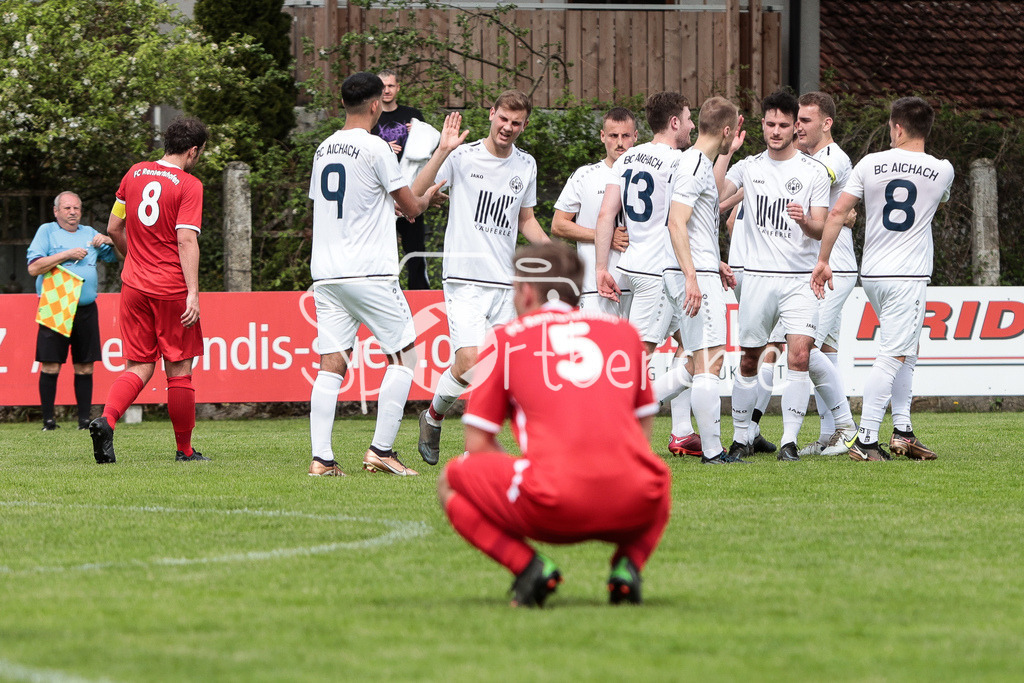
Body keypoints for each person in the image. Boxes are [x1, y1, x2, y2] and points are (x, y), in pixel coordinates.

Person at [438, 242, 671, 607]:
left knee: (451, 480)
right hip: (632, 502)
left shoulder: (505, 339)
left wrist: (528, 472)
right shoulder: (625, 333)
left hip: (553, 504)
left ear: (528, 291)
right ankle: (628, 567)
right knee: (656, 474)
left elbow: (478, 445)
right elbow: (642, 437)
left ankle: (529, 567)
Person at [306, 72, 449, 477]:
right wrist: (426, 198)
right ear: (374, 106)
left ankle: (322, 459)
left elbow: (339, 203)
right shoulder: (376, 147)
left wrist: (402, 202)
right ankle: (381, 450)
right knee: (405, 357)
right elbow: (411, 208)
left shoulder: (323, 149)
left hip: (327, 274)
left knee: (331, 364)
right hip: (369, 271)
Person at [812, 96, 954, 462]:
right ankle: (866, 439)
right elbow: (935, 204)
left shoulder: (870, 163)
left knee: (906, 350)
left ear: (898, 128)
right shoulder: (942, 169)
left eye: (891, 127)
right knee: (893, 355)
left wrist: (823, 260)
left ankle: (903, 431)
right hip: (908, 275)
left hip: (873, 273)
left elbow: (837, 213)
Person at [412, 90, 550, 467]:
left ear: (524, 125)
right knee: (471, 361)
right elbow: (417, 192)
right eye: (503, 118)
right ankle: (433, 417)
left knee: (504, 369)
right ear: (491, 114)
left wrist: (554, 255)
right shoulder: (462, 156)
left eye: (516, 122)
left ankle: (486, 450)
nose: (507, 127)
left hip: (506, 284)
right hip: (464, 279)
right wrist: (442, 150)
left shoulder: (526, 164)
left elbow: (526, 220)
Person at [714, 90, 851, 462]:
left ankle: (789, 441)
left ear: (794, 128)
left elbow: (821, 227)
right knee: (750, 359)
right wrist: (727, 150)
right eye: (771, 124)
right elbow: (715, 191)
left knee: (800, 356)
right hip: (757, 278)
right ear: (762, 125)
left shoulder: (813, 171)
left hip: (798, 279)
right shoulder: (750, 166)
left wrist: (805, 222)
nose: (776, 131)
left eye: (784, 125)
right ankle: (740, 438)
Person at [88, 117, 209, 465]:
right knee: (179, 369)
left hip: (133, 286)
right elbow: (186, 240)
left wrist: (136, 258)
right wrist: (193, 292)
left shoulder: (134, 173)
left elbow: (114, 227)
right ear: (193, 150)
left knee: (139, 364)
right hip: (170, 288)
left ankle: (106, 420)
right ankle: (185, 450)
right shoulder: (189, 185)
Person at [593, 92, 700, 459]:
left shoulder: (627, 158)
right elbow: (684, 221)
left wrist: (601, 267)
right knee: (640, 356)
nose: (691, 125)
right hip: (659, 272)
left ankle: (682, 432)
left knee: (693, 345)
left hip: (632, 266)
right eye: (688, 118)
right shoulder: (680, 161)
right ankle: (607, 426)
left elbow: (606, 215)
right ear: (674, 122)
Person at [659, 96, 742, 463]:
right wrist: (693, 276)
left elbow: (693, 226)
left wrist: (714, 262)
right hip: (691, 275)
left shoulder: (695, 163)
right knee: (711, 362)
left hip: (697, 269)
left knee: (696, 364)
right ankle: (712, 450)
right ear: (726, 131)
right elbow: (676, 221)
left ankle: (627, 408)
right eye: (734, 132)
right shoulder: (694, 165)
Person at [794, 91, 859, 456]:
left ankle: (847, 429)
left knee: (805, 348)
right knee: (826, 350)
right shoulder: (808, 158)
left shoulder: (834, 159)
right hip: (824, 267)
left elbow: (809, 183)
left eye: (806, 120)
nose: (798, 126)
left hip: (835, 267)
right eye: (797, 119)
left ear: (827, 123)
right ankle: (829, 434)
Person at [27, 191, 118, 431]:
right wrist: (67, 254)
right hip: (56, 302)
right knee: (50, 364)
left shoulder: (89, 233)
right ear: (56, 211)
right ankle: (48, 422)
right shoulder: (47, 231)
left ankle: (84, 422)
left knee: (85, 366)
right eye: (67, 208)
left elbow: (121, 255)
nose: (72, 212)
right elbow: (34, 268)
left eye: (76, 208)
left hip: (86, 307)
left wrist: (112, 240)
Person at [551, 107, 638, 317]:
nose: (620, 142)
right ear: (602, 136)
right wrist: (604, 236)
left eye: (626, 136)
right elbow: (558, 225)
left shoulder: (647, 175)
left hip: (639, 285)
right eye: (613, 136)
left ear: (635, 136)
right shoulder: (585, 175)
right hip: (595, 288)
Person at [371, 69, 431, 290]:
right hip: (380, 194)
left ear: (398, 88)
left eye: (390, 86)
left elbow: (430, 145)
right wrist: (383, 146)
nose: (386, 90)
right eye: (382, 86)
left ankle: (420, 293)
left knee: (415, 248)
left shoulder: (412, 115)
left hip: (409, 192)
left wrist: (421, 131)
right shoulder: (370, 116)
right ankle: (380, 293)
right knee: (379, 250)